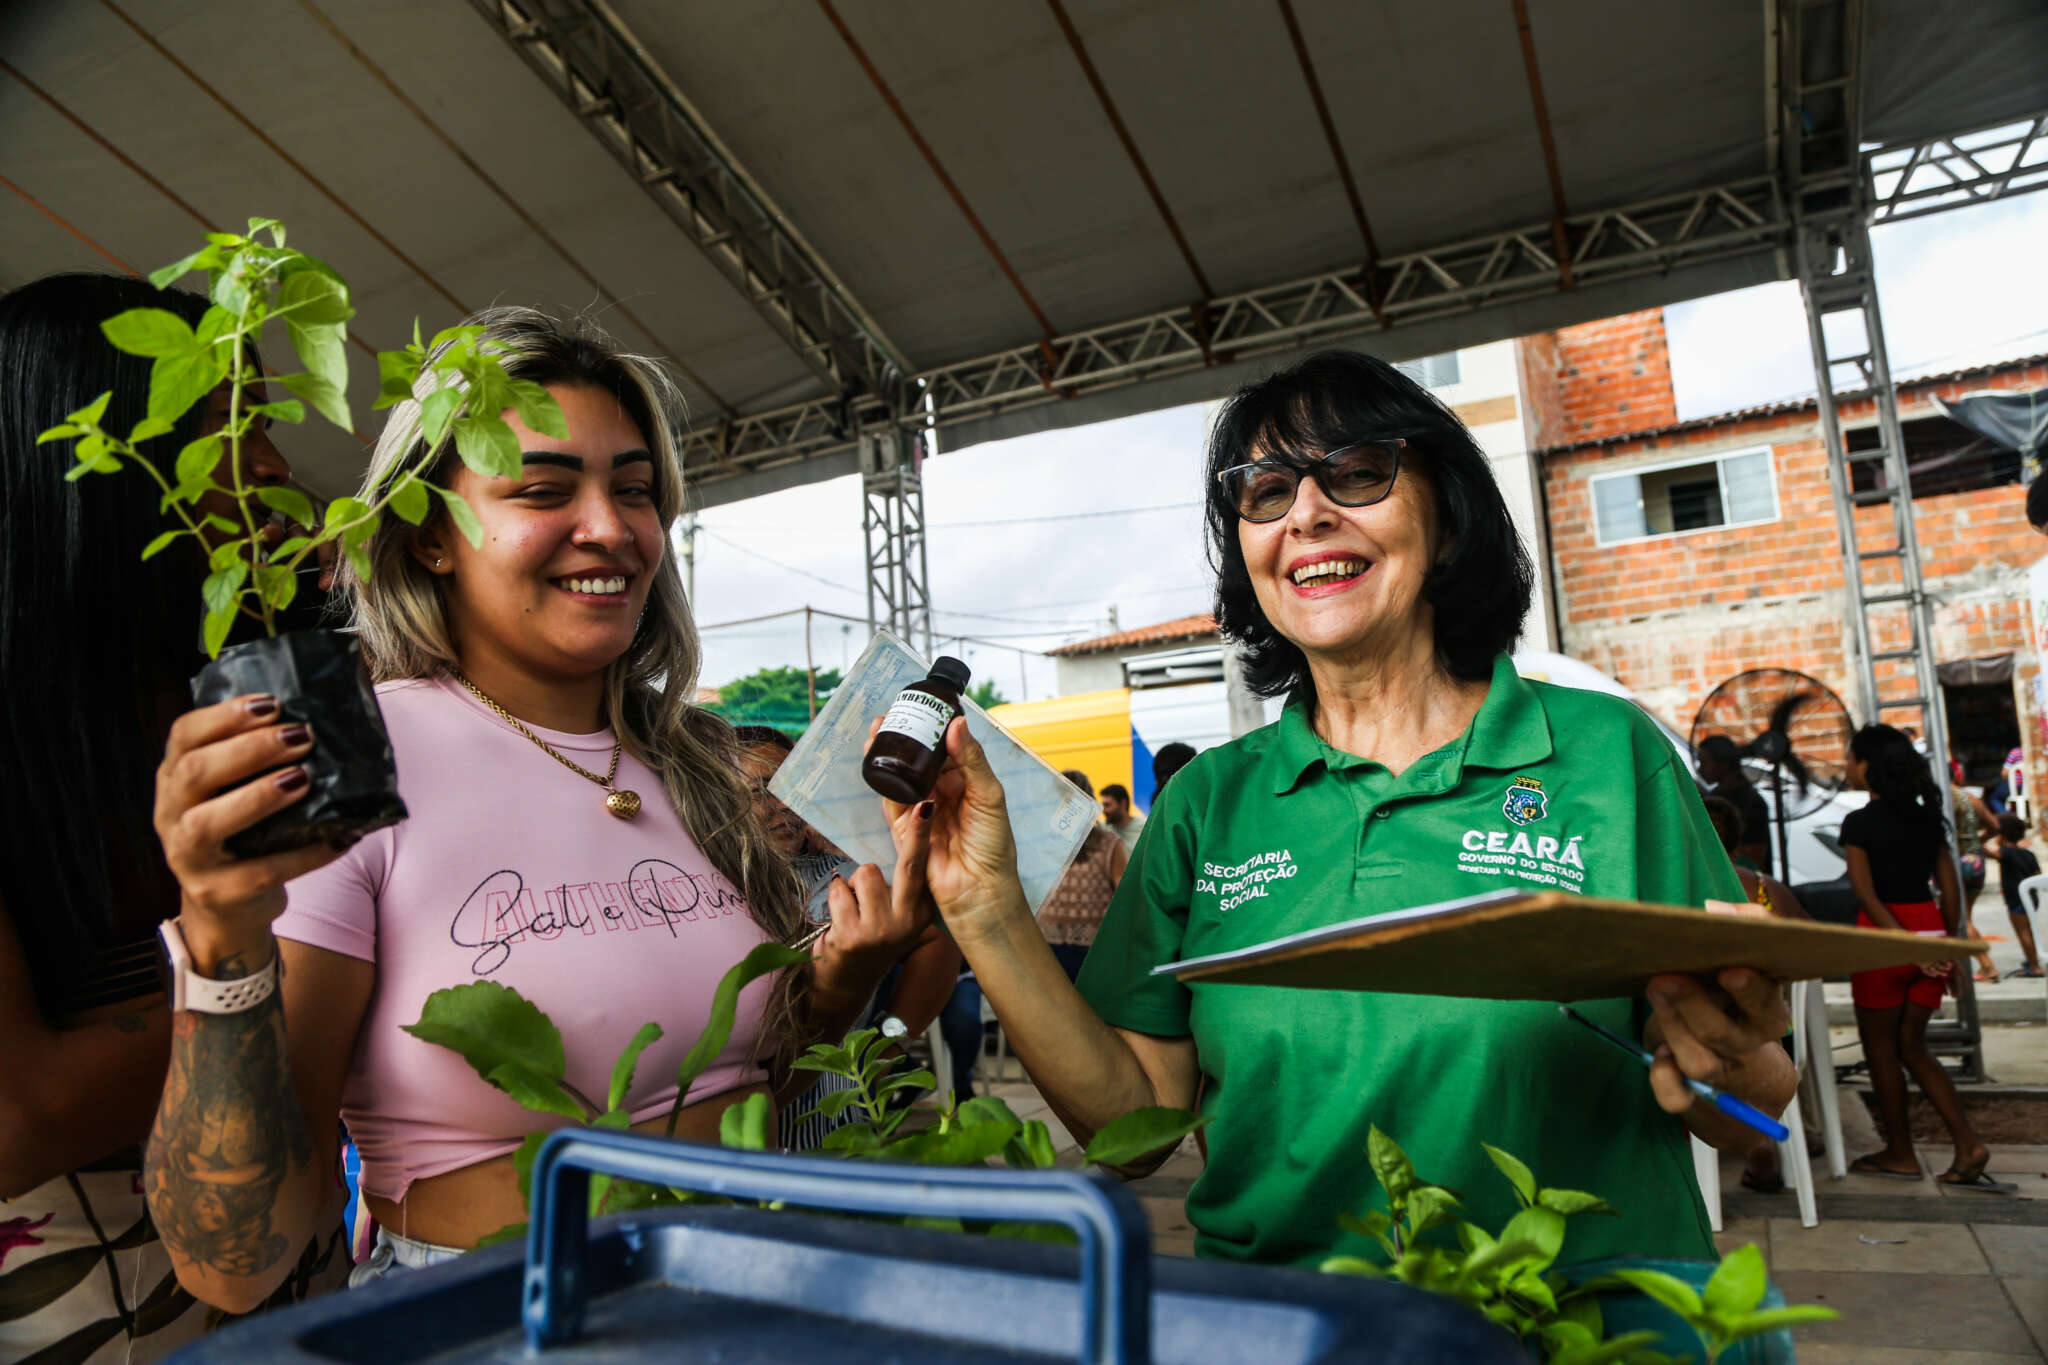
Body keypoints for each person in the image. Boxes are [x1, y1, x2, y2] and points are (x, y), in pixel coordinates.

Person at [885, 350, 1794, 1268]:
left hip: (1579, 1329)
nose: (1309, 513)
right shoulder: (1209, 802)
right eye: (1266, 491)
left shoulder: (1606, 754)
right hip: (1291, 1329)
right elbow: (1135, 1124)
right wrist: (984, 907)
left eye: (1359, 473)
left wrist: (1730, 1062)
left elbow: (1758, 1103)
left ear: (1445, 521)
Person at [141, 308, 929, 1310]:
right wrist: (219, 940)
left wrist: (836, 987)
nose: (608, 527)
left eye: (633, 490)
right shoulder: (349, 762)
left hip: (752, 1293)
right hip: (497, 1319)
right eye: (545, 490)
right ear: (430, 535)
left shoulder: (693, 764)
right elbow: (235, 1258)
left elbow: (764, 1085)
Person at [0, 274, 346, 1360]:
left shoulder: (231, 693)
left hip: (300, 1271)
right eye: (219, 425)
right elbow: (21, 1120)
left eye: (265, 424)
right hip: (93, 1307)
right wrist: (292, 975)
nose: (274, 468)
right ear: (83, 461)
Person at [732, 725, 962, 1146]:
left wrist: (888, 1042)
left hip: (838, 1129)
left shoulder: (847, 877)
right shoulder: (696, 892)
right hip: (733, 1136)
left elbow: (936, 942)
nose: (785, 804)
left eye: (795, 787)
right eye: (763, 791)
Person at [1839, 725, 1992, 1187]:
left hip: (1885, 941)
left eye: (1851, 759)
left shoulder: (1859, 824)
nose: (1847, 767)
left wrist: (1906, 947)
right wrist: (1945, 952)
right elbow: (1950, 895)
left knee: (1882, 1049)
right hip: (1930, 932)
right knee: (1914, 1047)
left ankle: (1901, 1153)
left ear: (1868, 766)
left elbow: (1866, 896)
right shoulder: (1930, 821)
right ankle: (1967, 1142)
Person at [1037, 771, 1130, 981]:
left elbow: (1125, 897)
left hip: (1054, 948)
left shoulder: (1041, 844)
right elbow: (1125, 899)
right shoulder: (1109, 843)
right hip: (1086, 948)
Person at [1696, 735, 1773, 877]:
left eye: (1704, 763)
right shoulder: (1720, 794)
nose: (1699, 770)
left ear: (1723, 765)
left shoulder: (1751, 803)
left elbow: (1755, 855)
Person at [1949, 766, 1998, 982]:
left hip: (1956, 862)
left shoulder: (1944, 799)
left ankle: (1987, 965)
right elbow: (1995, 826)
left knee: (1960, 918)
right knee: (1964, 915)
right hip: (1976, 861)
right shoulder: (1970, 798)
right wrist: (1977, 841)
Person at [1993, 813, 2044, 978]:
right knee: (2029, 930)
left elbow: (1988, 851)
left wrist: (1994, 838)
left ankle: (2035, 966)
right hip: (2031, 899)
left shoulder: (2005, 852)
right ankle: (2032, 960)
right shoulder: (2028, 854)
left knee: (2022, 932)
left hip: (2015, 899)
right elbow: (2037, 874)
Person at [1098, 782, 1146, 855]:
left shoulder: (1144, 827)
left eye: (1107, 805)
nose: (1103, 810)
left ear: (1123, 803)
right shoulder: (1101, 829)